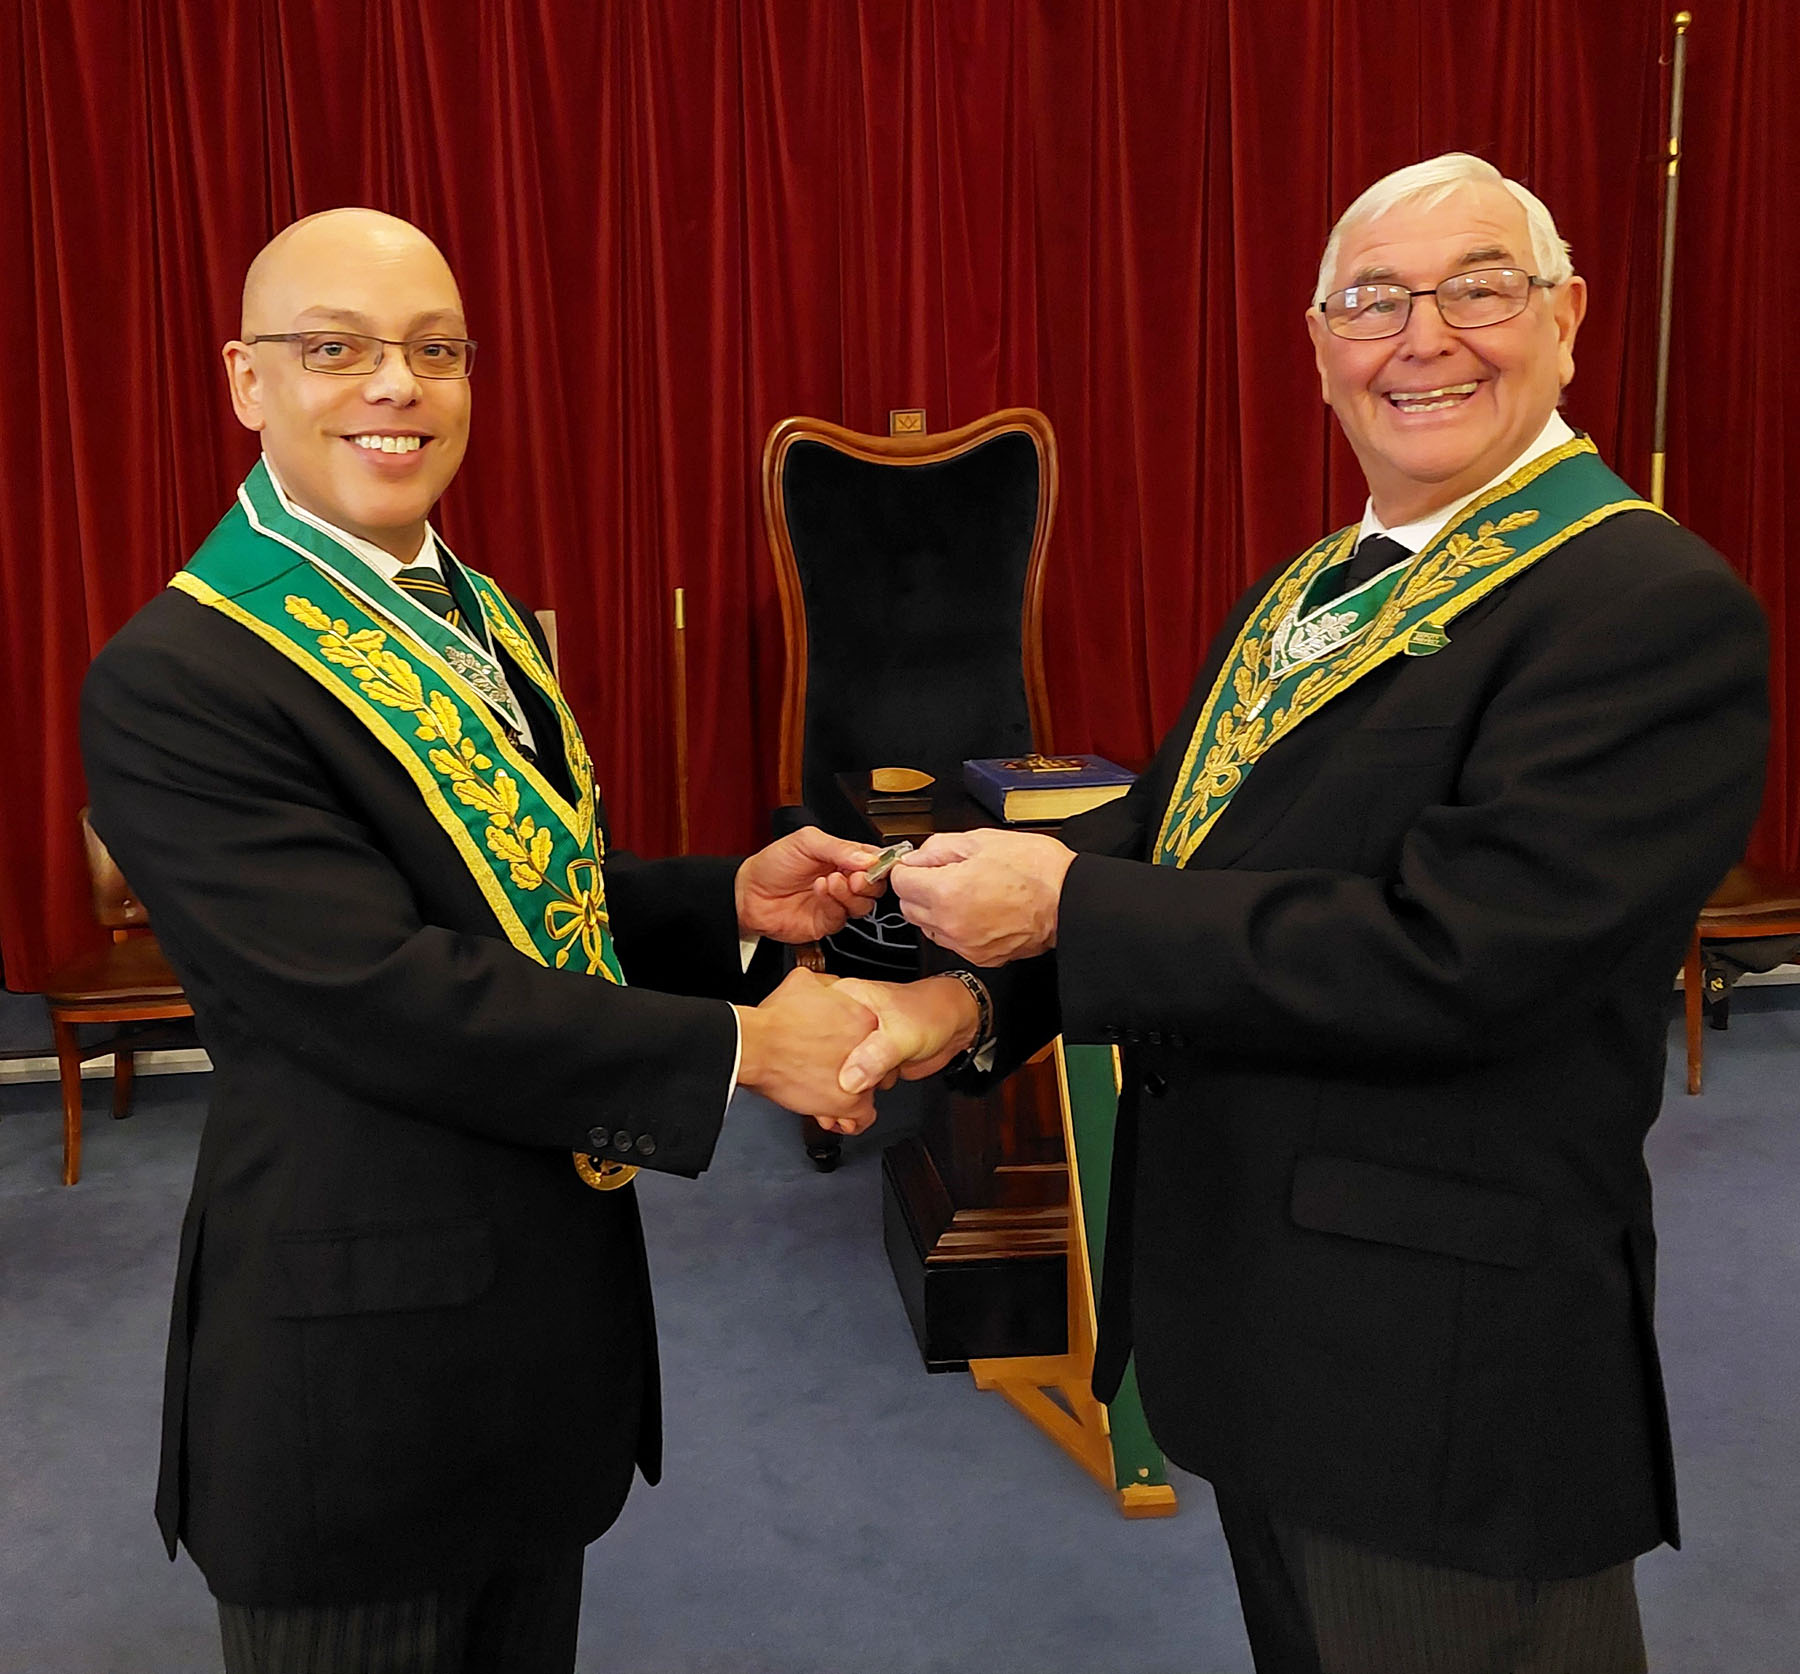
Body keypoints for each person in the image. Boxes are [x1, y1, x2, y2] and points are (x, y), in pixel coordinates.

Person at [839, 154, 1770, 1673]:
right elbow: (1181, 848)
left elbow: (1462, 956)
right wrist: (971, 992)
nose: (1424, 339)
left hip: (1436, 1372)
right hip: (1264, 1315)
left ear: (1569, 319)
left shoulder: (1641, 606)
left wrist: (1068, 900)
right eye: (1373, 302)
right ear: (1319, 345)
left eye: (1479, 290)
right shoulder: (1319, 588)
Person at [81, 208, 889, 1674]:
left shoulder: (476, 611)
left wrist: (725, 904)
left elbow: (530, 897)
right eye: (336, 349)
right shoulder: (179, 674)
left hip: (534, 1335)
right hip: (356, 1378)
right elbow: (381, 992)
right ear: (246, 381)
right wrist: (741, 1046)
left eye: (433, 350)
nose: (396, 385)